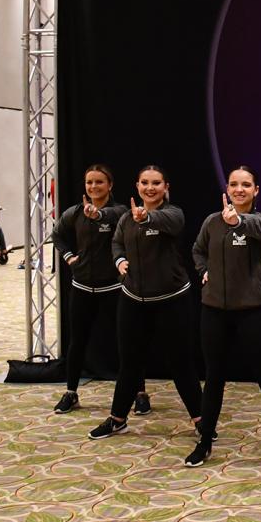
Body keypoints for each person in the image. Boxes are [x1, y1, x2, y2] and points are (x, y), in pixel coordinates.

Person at [187, 166, 261, 468]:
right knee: (214, 378)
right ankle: (205, 441)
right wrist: (204, 271)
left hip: (253, 312)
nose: (239, 189)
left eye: (246, 185)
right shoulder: (211, 222)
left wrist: (239, 221)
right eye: (234, 184)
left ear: (256, 190)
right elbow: (197, 251)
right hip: (214, 312)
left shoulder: (260, 222)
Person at [87, 166, 202, 439]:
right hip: (132, 301)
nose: (150, 188)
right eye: (145, 183)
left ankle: (201, 420)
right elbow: (117, 243)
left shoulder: (173, 214)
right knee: (129, 363)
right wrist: (119, 260)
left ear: (166, 187)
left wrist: (147, 217)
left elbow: (169, 223)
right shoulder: (127, 218)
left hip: (171, 300)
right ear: (137, 186)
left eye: (156, 183)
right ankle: (117, 418)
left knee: (181, 363)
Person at [51, 165, 128, 414]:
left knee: (126, 343)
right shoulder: (74, 213)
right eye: (89, 182)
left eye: (99, 182)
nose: (93, 187)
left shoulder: (121, 212)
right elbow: (58, 235)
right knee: (77, 342)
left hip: (114, 288)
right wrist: (69, 257)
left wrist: (98, 216)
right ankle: (71, 392)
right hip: (82, 287)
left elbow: (114, 217)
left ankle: (138, 392)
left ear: (110, 185)